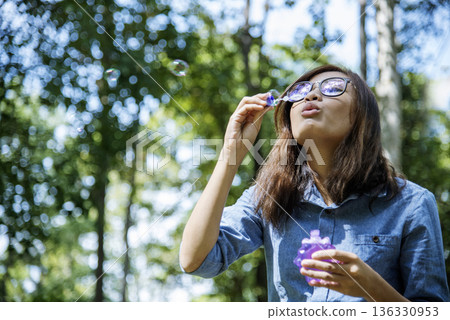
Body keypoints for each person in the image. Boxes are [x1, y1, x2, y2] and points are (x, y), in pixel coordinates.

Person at [179, 64, 449, 302]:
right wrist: (231, 155)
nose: (311, 94)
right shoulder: (269, 195)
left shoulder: (412, 204)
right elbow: (196, 260)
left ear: (362, 114)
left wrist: (372, 287)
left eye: (332, 87)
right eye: (299, 91)